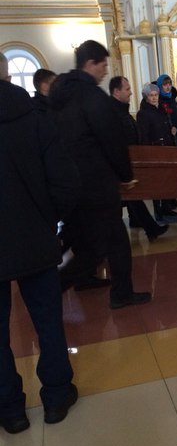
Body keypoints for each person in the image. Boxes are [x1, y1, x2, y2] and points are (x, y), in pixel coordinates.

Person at [0, 52, 79, 433]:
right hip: (35, 236)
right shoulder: (34, 118)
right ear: (5, 73)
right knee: (48, 322)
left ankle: (10, 409)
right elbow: (64, 181)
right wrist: (50, 222)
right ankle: (56, 396)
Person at [49, 40, 151, 309]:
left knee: (86, 243)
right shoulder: (92, 97)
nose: (106, 71)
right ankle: (119, 293)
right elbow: (112, 141)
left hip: (69, 183)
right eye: (103, 65)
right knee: (112, 242)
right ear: (90, 63)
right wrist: (126, 174)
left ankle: (77, 283)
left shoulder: (59, 95)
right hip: (96, 183)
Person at [109, 76, 169, 241]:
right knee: (128, 199)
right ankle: (149, 229)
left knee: (133, 198)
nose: (131, 92)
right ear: (116, 92)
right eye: (127, 89)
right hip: (121, 163)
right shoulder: (113, 113)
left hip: (129, 160)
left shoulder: (121, 110)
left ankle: (142, 224)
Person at [137, 82, 177, 218]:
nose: (154, 98)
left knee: (167, 179)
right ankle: (158, 209)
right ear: (146, 97)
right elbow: (144, 135)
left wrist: (171, 129)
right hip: (154, 150)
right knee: (156, 182)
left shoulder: (161, 109)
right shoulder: (143, 113)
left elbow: (165, 125)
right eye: (151, 95)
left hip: (166, 147)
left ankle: (166, 206)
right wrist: (147, 153)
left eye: (156, 95)